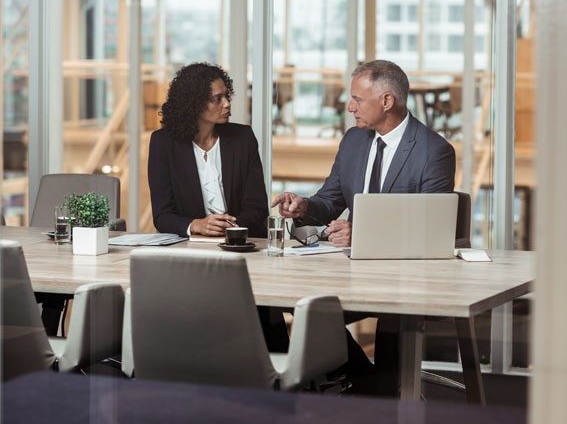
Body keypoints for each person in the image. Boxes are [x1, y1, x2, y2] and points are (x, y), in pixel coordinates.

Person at [271, 59, 456, 394]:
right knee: (306, 306)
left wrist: (363, 233)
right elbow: (330, 200)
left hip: (405, 277)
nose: (349, 106)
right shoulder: (354, 142)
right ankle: (369, 385)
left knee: (397, 313)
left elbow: (430, 228)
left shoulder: (434, 151)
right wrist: (304, 206)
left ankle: (381, 394)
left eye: (357, 99)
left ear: (387, 101)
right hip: (349, 273)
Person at [148, 62, 287, 351]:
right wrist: (196, 225)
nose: (227, 104)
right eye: (217, 98)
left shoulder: (243, 138)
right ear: (194, 103)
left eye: (227, 96)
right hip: (191, 256)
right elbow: (163, 215)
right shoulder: (163, 143)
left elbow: (257, 207)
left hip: (244, 250)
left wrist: (230, 229)